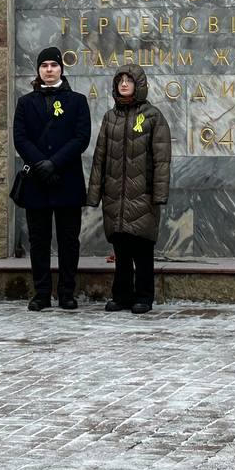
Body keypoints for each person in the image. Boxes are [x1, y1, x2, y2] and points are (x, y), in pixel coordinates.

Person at [86, 65, 172, 314]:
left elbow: (161, 160)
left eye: (129, 80)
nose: (124, 84)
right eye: (120, 80)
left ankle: (144, 297)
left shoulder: (153, 117)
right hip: (115, 196)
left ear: (139, 84)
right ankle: (122, 295)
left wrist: (159, 194)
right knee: (121, 249)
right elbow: (99, 157)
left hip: (142, 196)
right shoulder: (110, 117)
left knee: (142, 249)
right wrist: (95, 194)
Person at [12, 47, 92, 311]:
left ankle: (67, 292)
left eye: (53, 65)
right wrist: (39, 163)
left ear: (61, 68)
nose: (48, 69)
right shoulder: (25, 103)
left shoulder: (77, 101)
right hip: (37, 180)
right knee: (39, 240)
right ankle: (42, 293)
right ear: (38, 69)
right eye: (44, 65)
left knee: (69, 240)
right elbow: (20, 138)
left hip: (66, 178)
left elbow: (81, 137)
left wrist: (54, 162)